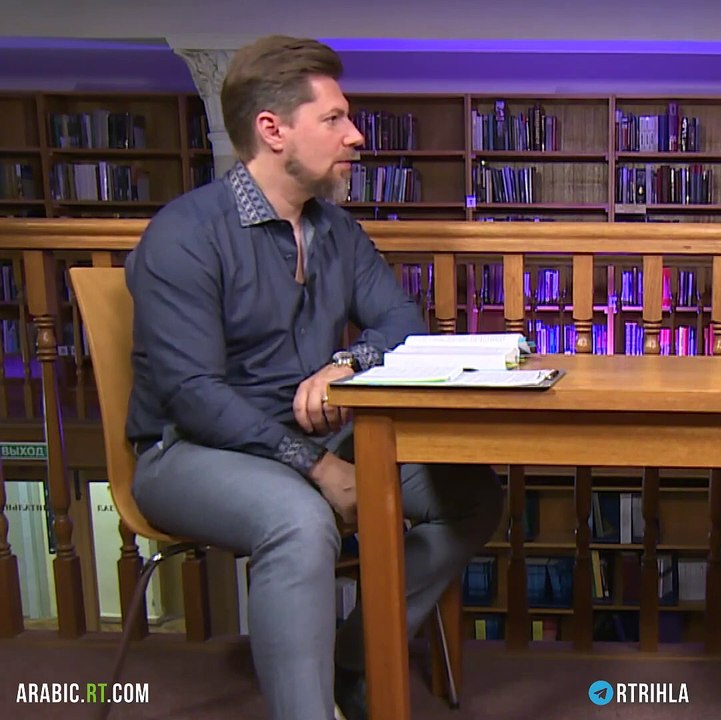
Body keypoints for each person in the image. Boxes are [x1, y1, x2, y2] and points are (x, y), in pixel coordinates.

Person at [125, 35, 503, 720]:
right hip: (189, 449)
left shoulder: (336, 231)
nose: (355, 135)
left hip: (315, 434)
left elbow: (402, 323)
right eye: (334, 118)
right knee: (298, 520)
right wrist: (319, 468)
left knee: (471, 495)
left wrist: (346, 364)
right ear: (273, 131)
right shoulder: (185, 235)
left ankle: (353, 662)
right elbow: (193, 396)